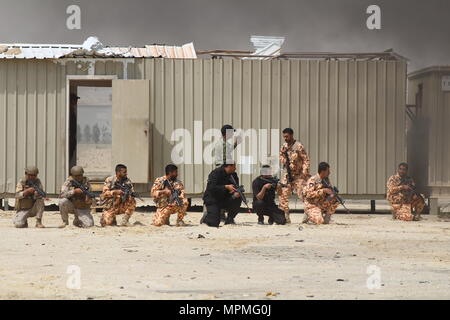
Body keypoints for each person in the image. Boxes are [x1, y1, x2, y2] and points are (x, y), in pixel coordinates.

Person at [278, 128, 311, 223]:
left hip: (299, 175)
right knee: (282, 193)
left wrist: (305, 172)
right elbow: (281, 155)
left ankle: (308, 213)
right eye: (284, 136)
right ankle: (285, 215)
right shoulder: (284, 146)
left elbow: (306, 160)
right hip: (288, 174)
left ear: (292, 135)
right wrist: (284, 161)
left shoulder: (298, 146)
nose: (285, 138)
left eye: (287, 136)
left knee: (303, 194)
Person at [202, 162, 242, 227]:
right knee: (213, 223)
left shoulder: (233, 175)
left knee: (237, 198)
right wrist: (226, 187)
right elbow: (211, 188)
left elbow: (235, 186)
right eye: (234, 166)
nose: (235, 168)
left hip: (225, 199)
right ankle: (206, 218)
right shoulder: (215, 173)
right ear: (229, 166)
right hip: (213, 199)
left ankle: (230, 219)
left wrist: (235, 192)